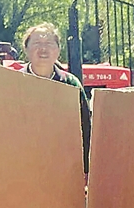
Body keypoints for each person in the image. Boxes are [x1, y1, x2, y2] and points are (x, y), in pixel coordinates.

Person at [20, 22, 91, 173]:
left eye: (49, 44)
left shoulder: (71, 83)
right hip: (23, 165)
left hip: (62, 166)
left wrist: (86, 169)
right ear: (26, 49)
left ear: (58, 50)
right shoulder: (14, 82)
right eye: (37, 43)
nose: (43, 49)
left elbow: (85, 127)